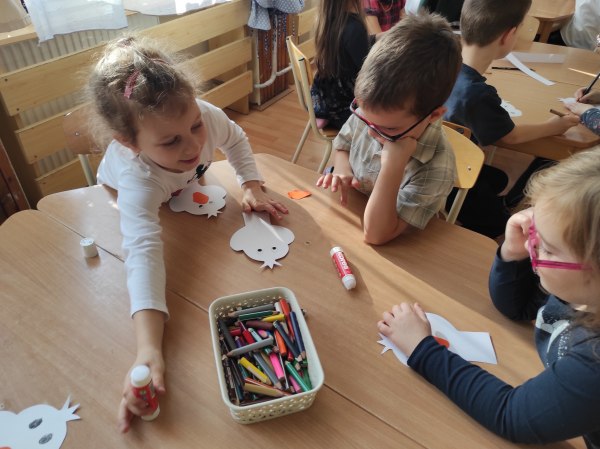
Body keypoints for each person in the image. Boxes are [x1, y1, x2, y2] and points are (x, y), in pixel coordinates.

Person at [87, 35, 288, 432]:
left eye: (195, 125)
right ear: (128, 143)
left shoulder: (204, 117)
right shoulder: (137, 180)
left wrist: (250, 184)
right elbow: (143, 255)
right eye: (171, 140)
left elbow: (235, 139)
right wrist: (148, 349)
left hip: (181, 189)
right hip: (116, 196)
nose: (195, 144)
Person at [378, 149, 600, 448]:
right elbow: (517, 307)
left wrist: (422, 348)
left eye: (546, 247)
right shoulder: (583, 291)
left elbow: (511, 416)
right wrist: (512, 252)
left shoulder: (594, 362)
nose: (532, 244)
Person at [317, 13, 461, 245]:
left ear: (434, 115)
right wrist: (343, 169)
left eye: (388, 129)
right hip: (352, 212)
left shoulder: (437, 167)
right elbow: (343, 143)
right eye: (364, 117)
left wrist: (393, 165)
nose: (371, 132)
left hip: (394, 245)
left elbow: (376, 234)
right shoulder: (375, 114)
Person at [443, 0, 579, 238]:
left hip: (440, 163)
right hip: (453, 179)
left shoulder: (443, 66)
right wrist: (555, 126)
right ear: (509, 35)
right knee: (500, 224)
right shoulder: (478, 94)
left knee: (498, 179)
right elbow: (511, 137)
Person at [311, 0, 376, 129]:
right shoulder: (355, 27)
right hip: (344, 106)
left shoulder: (328, 19)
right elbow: (367, 69)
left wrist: (378, 38)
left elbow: (352, 43)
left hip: (325, 96)